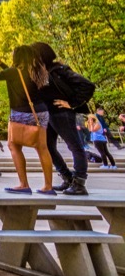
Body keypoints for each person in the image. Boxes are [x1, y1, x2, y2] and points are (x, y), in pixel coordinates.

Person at [0, 45, 55, 194]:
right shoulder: (40, 71)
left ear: (17, 57)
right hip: (41, 111)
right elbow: (19, 79)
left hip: (21, 112)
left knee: (14, 145)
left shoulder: (14, 72)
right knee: (42, 148)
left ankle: (23, 184)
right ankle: (48, 186)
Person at [33, 42, 93, 195]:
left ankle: (79, 183)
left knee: (74, 145)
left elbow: (88, 85)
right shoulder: (39, 73)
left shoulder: (59, 70)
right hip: (47, 115)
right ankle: (67, 177)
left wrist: (72, 103)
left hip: (61, 113)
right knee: (46, 147)